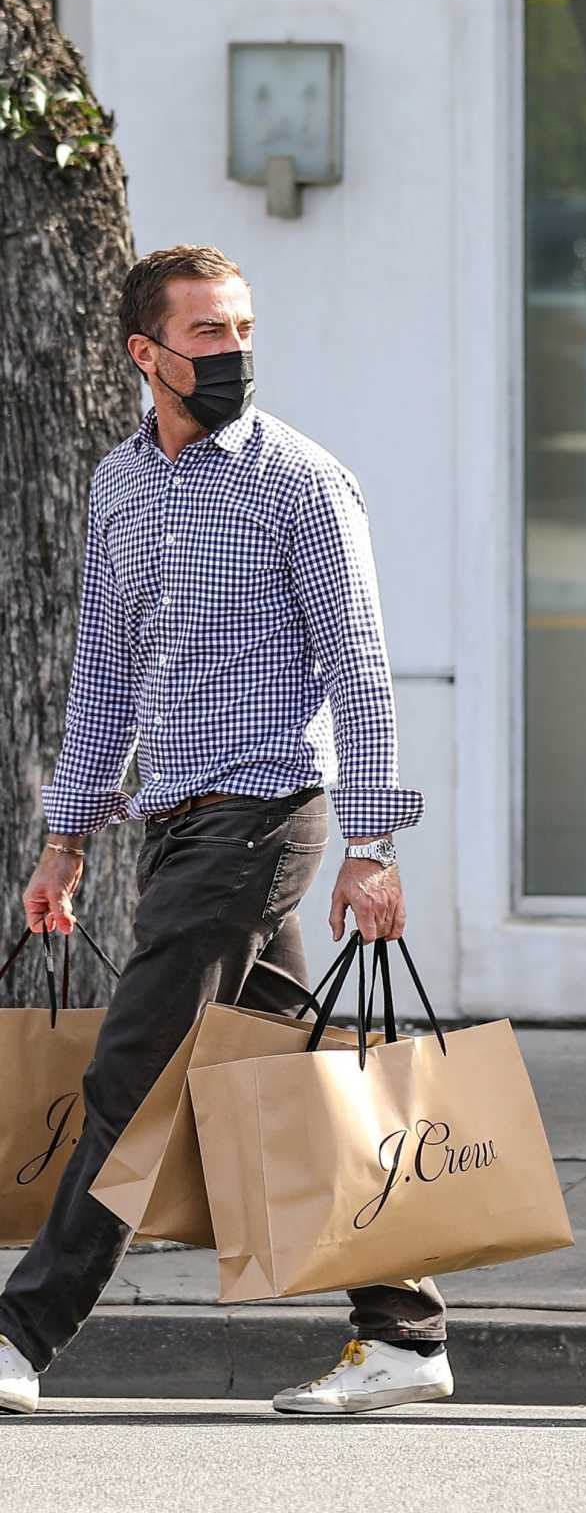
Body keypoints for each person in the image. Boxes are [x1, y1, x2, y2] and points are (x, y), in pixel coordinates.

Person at [2, 244, 451, 1418]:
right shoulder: (121, 484)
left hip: (264, 816)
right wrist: (68, 839)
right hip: (174, 819)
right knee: (299, 1082)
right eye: (205, 333)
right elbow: (104, 669)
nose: (233, 352)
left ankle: (23, 1332)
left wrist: (374, 843)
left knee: (131, 1071)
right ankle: (402, 1333)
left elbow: (359, 662)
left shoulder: (300, 481)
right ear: (143, 354)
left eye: (243, 328)